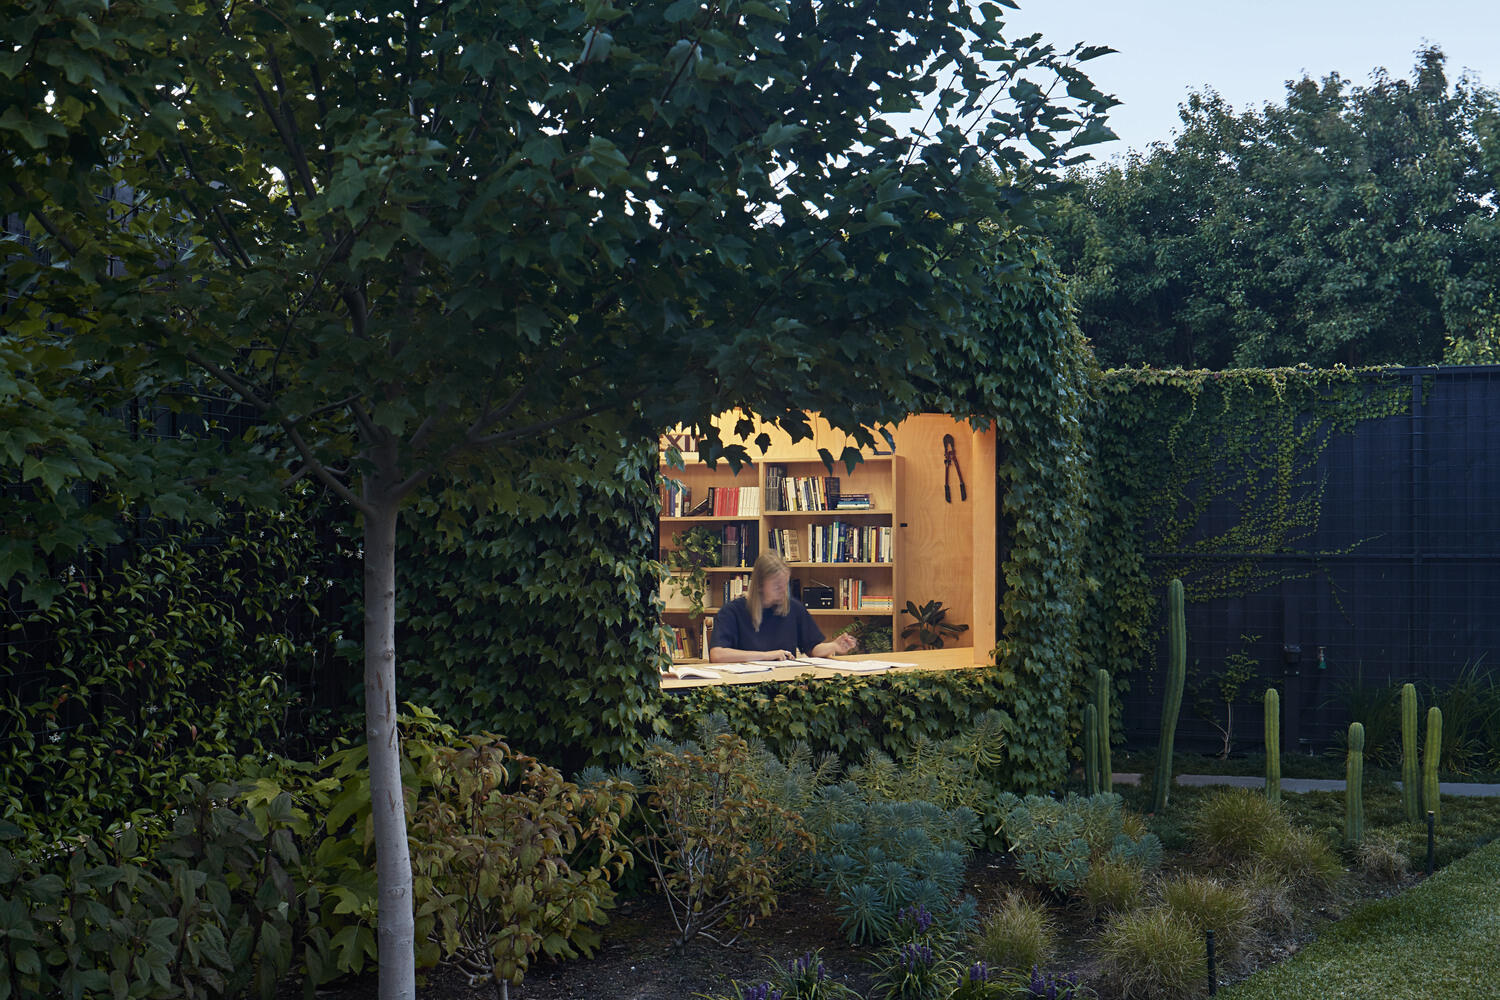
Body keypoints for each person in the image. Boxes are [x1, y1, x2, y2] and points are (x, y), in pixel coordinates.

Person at [708, 552, 858, 662]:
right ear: (759, 585)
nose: (782, 591)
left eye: (785, 585)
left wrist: (834, 646)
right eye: (776, 586)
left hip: (783, 687)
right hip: (744, 689)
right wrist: (767, 656)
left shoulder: (794, 608)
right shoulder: (732, 611)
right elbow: (717, 655)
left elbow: (812, 648)